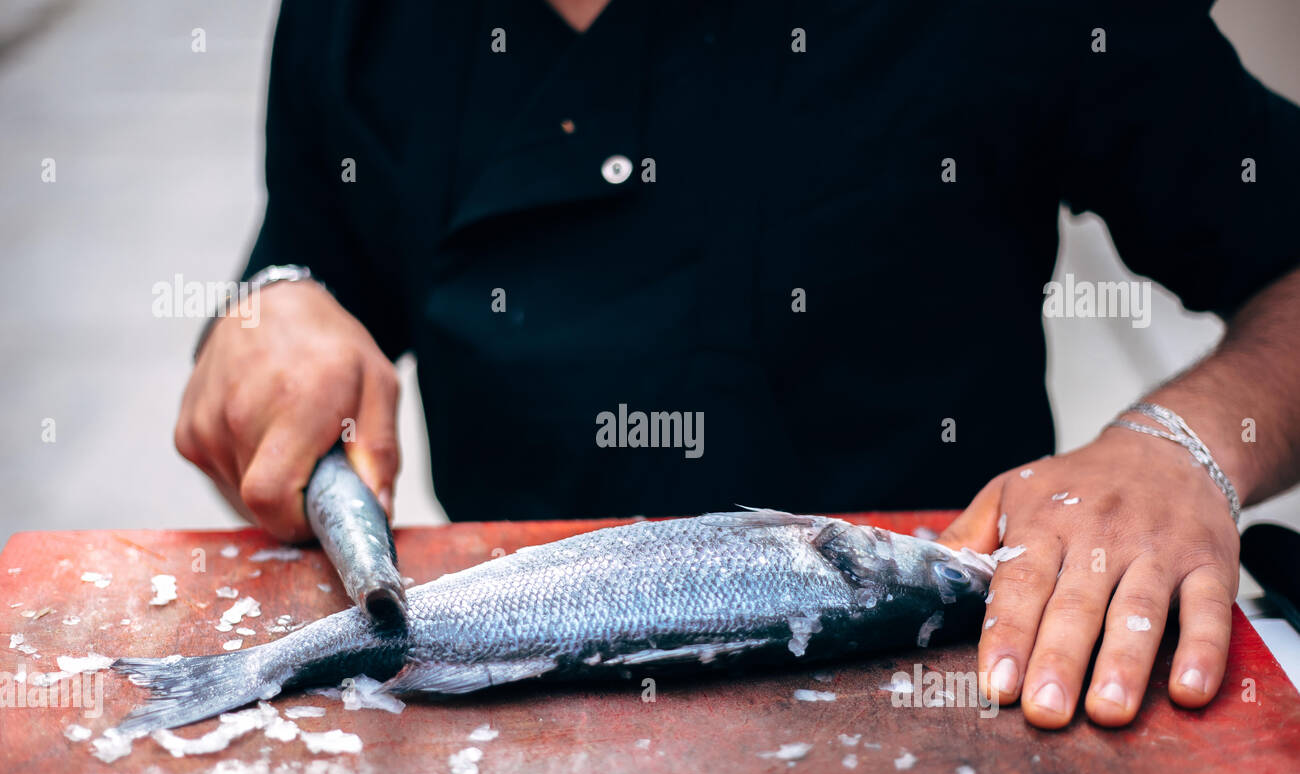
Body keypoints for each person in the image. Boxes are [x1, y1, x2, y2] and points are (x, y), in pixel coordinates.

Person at [175, 1, 1300, 730]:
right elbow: (301, 283)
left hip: (981, 708)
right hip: (503, 731)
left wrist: (1186, 442)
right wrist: (266, 317)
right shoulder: (359, 23)